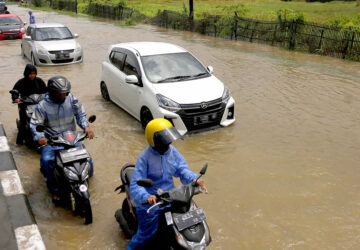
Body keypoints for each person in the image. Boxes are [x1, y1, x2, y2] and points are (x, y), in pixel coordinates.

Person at [127, 118, 206, 250]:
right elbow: (135, 184)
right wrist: (146, 197)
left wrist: (194, 179)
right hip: (153, 202)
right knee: (144, 236)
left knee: (191, 220)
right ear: (154, 141)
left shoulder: (172, 151)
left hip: (172, 196)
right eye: (164, 143)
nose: (168, 145)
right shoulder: (144, 157)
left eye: (168, 142)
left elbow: (182, 169)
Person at [30, 75, 95, 202]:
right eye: (60, 94)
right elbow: (35, 124)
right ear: (52, 93)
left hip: (72, 139)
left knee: (89, 160)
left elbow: (80, 114)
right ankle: (54, 189)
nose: (63, 96)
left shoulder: (71, 99)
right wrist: (41, 138)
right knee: (47, 161)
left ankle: (86, 183)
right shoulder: (42, 106)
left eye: (65, 93)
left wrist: (86, 127)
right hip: (53, 141)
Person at [10, 64, 47, 145]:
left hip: (38, 106)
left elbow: (46, 91)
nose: (32, 75)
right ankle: (19, 143)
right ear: (26, 73)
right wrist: (16, 98)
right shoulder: (21, 82)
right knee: (23, 125)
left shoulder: (39, 81)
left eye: (34, 73)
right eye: (30, 73)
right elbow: (15, 91)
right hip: (25, 106)